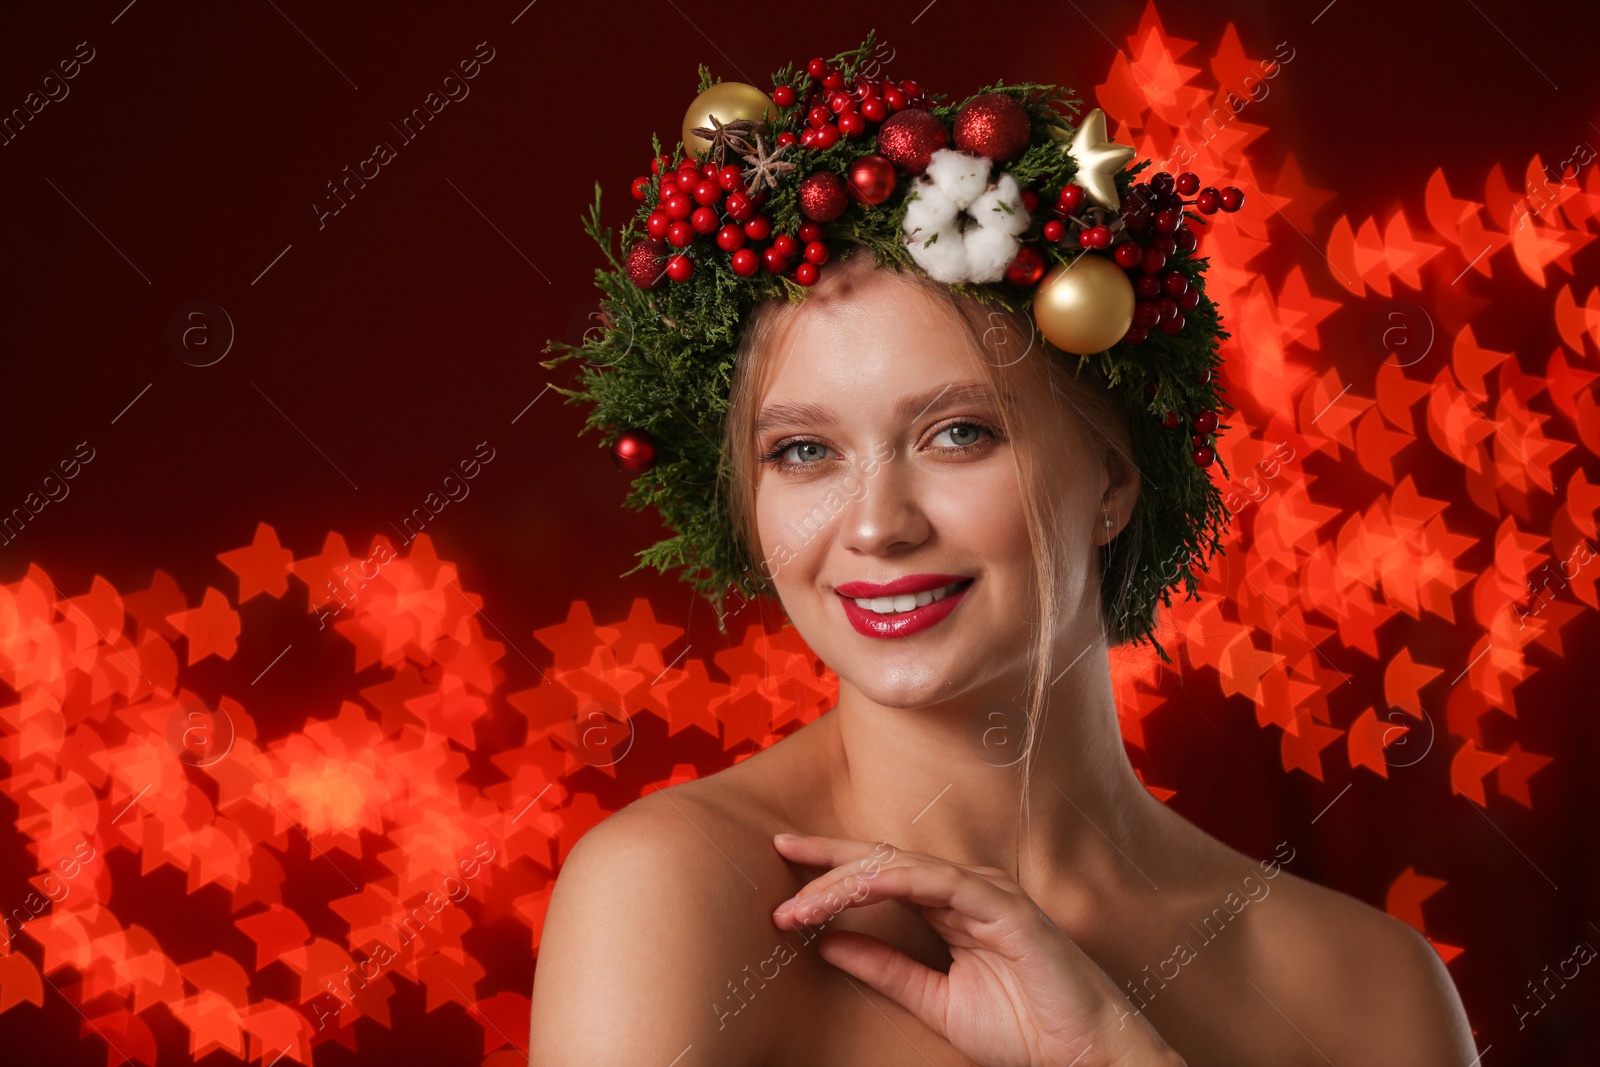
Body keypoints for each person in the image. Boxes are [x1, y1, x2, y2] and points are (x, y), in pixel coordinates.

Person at [530, 39, 1479, 1065]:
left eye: (958, 433)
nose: (876, 523)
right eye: (803, 450)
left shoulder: (1367, 990)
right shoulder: (674, 896)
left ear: (1113, 478)